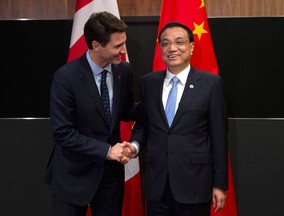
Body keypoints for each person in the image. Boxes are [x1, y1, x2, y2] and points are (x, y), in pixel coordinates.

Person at [44, 11, 139, 216]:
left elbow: (127, 110)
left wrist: (159, 99)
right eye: (117, 46)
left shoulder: (124, 70)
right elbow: (62, 133)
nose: (123, 50)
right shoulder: (65, 78)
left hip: (110, 180)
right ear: (96, 46)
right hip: (72, 176)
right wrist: (106, 151)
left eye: (123, 43)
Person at [130, 22, 228, 216]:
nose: (172, 48)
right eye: (165, 43)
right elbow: (143, 124)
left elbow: (218, 137)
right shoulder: (148, 83)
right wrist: (134, 145)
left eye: (179, 42)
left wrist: (219, 184)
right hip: (157, 185)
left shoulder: (210, 84)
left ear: (191, 47)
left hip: (195, 184)